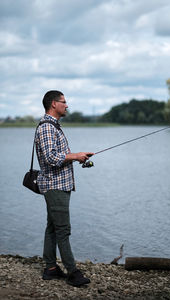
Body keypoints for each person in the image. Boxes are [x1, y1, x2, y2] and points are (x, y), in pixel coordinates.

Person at [35, 90, 94, 287]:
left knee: (52, 227)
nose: (67, 105)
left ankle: (51, 268)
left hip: (58, 185)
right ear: (53, 104)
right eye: (64, 101)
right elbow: (51, 158)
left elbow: (58, 156)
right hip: (55, 186)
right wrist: (75, 156)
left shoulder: (53, 126)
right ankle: (73, 272)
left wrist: (78, 155)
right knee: (63, 230)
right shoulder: (46, 128)